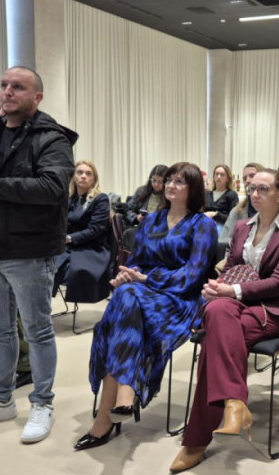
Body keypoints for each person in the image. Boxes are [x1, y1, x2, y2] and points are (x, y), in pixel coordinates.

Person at [0, 66, 77, 445]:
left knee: (37, 331)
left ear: (37, 97)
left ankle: (42, 403)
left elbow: (53, 188)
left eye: (18, 87)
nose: (7, 92)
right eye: (4, 85)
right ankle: (0, 399)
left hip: (30, 250)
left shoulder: (52, 137)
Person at [75, 163, 217, 451]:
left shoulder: (202, 224)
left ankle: (106, 417)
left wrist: (146, 278)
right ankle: (125, 395)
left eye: (179, 181)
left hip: (179, 298)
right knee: (125, 296)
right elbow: (137, 261)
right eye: (169, 180)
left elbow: (193, 276)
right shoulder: (151, 220)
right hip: (142, 292)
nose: (171, 185)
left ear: (193, 189)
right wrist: (129, 274)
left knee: (120, 310)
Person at [171, 169, 279, 473]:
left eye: (263, 189)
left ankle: (197, 441)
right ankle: (234, 404)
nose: (255, 194)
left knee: (214, 340)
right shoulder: (243, 227)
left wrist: (232, 291)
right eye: (252, 188)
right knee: (217, 312)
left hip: (271, 309)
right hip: (233, 304)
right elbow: (231, 268)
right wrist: (216, 288)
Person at [54, 160, 112, 304]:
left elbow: (95, 230)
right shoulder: (69, 199)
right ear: (74, 177)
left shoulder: (100, 199)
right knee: (42, 265)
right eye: (79, 172)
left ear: (94, 179)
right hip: (69, 245)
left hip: (92, 248)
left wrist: (68, 238)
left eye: (88, 174)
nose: (83, 176)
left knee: (68, 271)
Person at [219, 162, 265, 241]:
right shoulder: (236, 211)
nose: (247, 181)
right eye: (244, 178)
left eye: (252, 176)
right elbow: (223, 241)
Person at [204, 164, 239, 233]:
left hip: (222, 226)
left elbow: (233, 218)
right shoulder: (207, 194)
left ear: (227, 178)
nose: (218, 177)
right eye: (216, 174)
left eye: (222, 175)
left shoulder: (232, 195)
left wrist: (215, 214)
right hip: (205, 223)